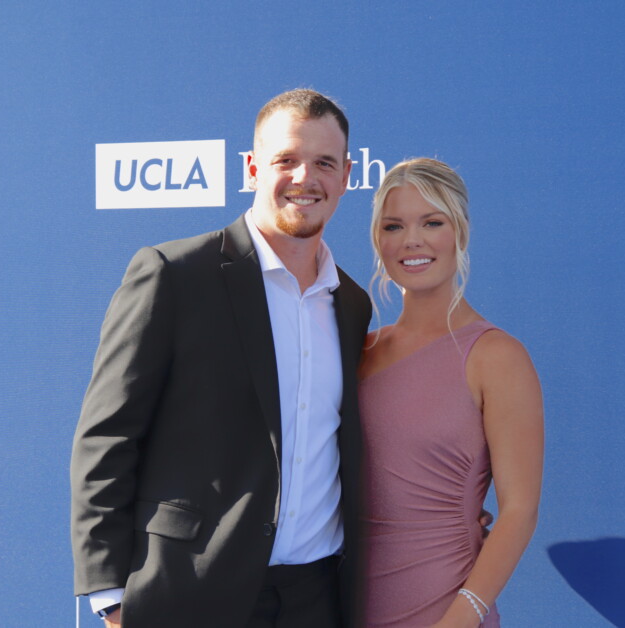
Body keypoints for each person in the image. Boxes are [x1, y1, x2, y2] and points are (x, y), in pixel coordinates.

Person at [70, 89, 372, 628]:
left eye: (324, 162)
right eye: (286, 160)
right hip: (191, 592)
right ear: (254, 167)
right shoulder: (175, 273)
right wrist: (110, 598)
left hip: (317, 599)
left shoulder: (350, 303)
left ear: (347, 175)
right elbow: (107, 437)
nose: (306, 178)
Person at [358, 158, 544, 627]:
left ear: (460, 231)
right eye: (394, 225)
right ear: (378, 240)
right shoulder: (359, 351)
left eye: (432, 222)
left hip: (444, 608)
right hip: (346, 603)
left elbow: (519, 510)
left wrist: (461, 618)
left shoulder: (496, 355)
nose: (412, 240)